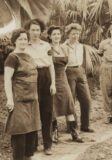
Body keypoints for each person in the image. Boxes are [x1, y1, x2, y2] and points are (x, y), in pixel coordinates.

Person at [4, 29, 41, 160]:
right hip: (19, 99)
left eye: (25, 39)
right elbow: (7, 79)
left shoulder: (29, 56)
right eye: (20, 39)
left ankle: (28, 157)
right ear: (14, 41)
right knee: (20, 132)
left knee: (31, 132)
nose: (23, 41)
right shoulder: (12, 58)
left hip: (32, 100)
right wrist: (10, 99)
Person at [24, 19, 56, 155]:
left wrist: (53, 83)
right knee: (32, 111)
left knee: (46, 112)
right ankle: (33, 144)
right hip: (31, 78)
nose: (35, 33)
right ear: (28, 31)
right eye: (33, 30)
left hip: (45, 77)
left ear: (41, 31)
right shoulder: (24, 45)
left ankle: (47, 144)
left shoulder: (46, 45)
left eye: (37, 30)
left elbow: (51, 65)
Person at [47, 25, 83, 143]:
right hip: (51, 80)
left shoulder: (64, 48)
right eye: (54, 34)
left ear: (61, 35)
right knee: (53, 106)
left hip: (63, 78)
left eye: (58, 34)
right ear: (50, 36)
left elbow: (66, 64)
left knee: (69, 104)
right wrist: (51, 81)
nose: (57, 36)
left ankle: (74, 132)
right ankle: (54, 133)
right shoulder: (47, 48)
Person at [63, 23, 94, 132]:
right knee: (70, 100)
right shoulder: (63, 46)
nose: (75, 36)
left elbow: (85, 61)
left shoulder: (82, 46)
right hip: (68, 72)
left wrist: (84, 71)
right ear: (68, 34)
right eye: (73, 34)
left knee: (86, 100)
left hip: (80, 71)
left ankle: (85, 126)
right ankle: (71, 127)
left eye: (77, 34)